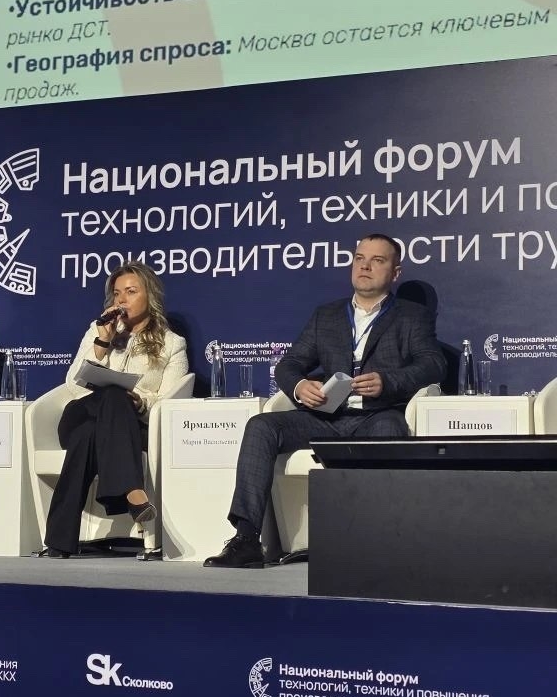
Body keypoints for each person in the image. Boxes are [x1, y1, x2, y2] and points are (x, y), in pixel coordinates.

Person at [204, 234, 447, 568]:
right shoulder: (327, 315)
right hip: (327, 418)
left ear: (395, 272)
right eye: (359, 258)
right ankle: (246, 539)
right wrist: (300, 385)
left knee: (389, 430)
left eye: (377, 260)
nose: (365, 266)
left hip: (377, 415)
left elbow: (433, 364)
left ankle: (379, 541)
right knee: (261, 426)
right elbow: (290, 364)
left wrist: (387, 381)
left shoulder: (411, 316)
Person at [43, 262, 188, 558]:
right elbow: (73, 384)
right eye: (117, 293)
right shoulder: (98, 331)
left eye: (131, 292)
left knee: (89, 434)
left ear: (150, 295)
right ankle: (132, 490)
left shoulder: (172, 344)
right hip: (81, 414)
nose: (122, 300)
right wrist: (103, 342)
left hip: (131, 426)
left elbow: (168, 401)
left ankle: (58, 540)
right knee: (110, 396)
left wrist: (141, 401)